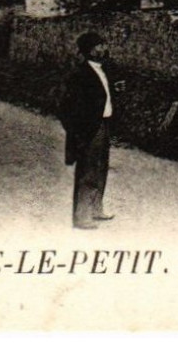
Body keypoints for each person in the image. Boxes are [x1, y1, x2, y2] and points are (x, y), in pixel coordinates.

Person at [60, 31, 116, 229]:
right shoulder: (79, 74)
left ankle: (95, 208)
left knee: (101, 168)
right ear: (89, 50)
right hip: (89, 129)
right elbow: (66, 107)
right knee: (87, 172)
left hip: (104, 124)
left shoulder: (104, 70)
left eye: (103, 44)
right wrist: (78, 130)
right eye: (99, 45)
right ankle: (81, 216)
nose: (104, 49)